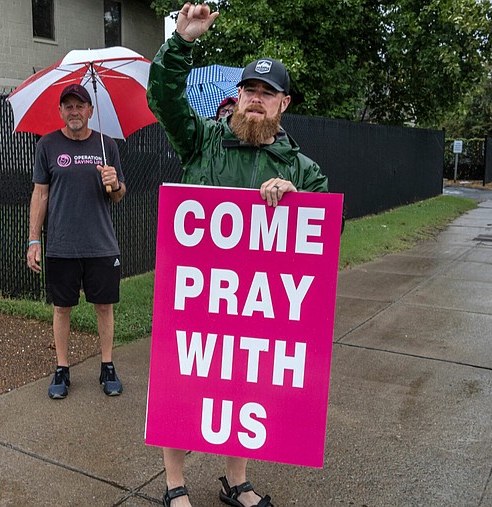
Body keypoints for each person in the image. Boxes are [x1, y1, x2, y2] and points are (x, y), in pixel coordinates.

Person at [147, 3, 331, 507]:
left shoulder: (304, 168)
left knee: (243, 387)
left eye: (266, 94)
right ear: (237, 96)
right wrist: (181, 42)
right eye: (250, 90)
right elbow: (162, 99)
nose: (255, 99)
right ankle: (174, 484)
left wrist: (295, 194)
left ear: (282, 105)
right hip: (198, 298)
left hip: (256, 306)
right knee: (183, 385)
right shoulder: (201, 142)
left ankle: (236, 479)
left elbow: (321, 238)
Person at [26, 83, 127, 400]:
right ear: (60, 112)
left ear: (90, 110)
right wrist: (33, 240)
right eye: (67, 106)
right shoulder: (47, 145)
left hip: (101, 244)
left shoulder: (105, 145)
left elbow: (119, 196)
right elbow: (40, 193)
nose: (74, 111)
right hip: (61, 245)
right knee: (62, 309)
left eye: (79, 105)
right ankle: (62, 368)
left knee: (104, 307)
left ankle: (107, 366)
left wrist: (113, 183)